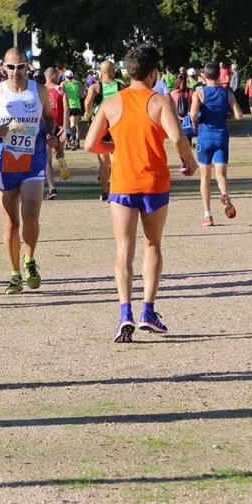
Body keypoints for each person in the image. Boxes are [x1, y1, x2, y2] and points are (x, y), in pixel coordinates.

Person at [85, 44, 195, 343]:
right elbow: (177, 137)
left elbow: (90, 144)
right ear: (153, 73)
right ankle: (148, 310)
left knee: (123, 249)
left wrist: (115, 147)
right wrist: (190, 161)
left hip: (122, 183)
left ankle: (124, 313)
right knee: (153, 244)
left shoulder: (112, 103)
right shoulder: (160, 101)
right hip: (154, 183)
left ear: (126, 72)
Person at [0, 48, 59, 293]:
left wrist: (51, 134)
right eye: (11, 67)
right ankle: (14, 274)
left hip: (33, 161)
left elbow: (49, 118)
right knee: (11, 224)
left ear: (27, 67)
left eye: (20, 66)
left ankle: (29, 260)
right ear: (3, 67)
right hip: (5, 163)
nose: (16, 72)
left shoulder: (39, 91)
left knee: (31, 217)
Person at [189, 62, 243, 226]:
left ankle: (208, 215)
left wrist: (195, 123)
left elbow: (192, 114)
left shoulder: (199, 92)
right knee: (221, 174)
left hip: (205, 138)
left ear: (204, 76)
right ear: (219, 76)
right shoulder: (227, 93)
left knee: (205, 177)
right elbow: (239, 115)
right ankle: (225, 193)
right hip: (221, 137)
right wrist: (226, 117)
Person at [85, 60, 124, 201]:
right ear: (113, 71)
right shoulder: (121, 86)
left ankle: (104, 191)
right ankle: (115, 189)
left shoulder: (95, 87)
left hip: (100, 125)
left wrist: (88, 115)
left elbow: (88, 102)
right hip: (116, 125)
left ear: (100, 73)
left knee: (103, 162)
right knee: (115, 161)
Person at [43, 67, 69, 200]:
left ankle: (52, 187)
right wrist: (65, 127)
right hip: (57, 126)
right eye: (58, 75)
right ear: (52, 75)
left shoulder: (41, 90)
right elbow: (66, 109)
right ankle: (62, 164)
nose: (59, 77)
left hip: (49, 127)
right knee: (58, 152)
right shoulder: (60, 89)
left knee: (47, 159)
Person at [62, 70, 83, 149]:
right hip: (77, 106)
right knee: (75, 125)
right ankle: (76, 142)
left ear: (65, 76)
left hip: (68, 106)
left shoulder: (63, 84)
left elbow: (61, 94)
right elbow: (82, 95)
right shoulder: (77, 84)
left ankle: (68, 143)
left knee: (67, 125)